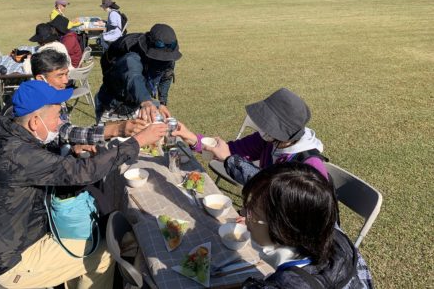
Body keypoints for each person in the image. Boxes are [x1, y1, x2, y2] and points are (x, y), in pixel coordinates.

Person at [0, 80, 166, 289]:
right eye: (57, 116)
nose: (60, 123)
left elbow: (50, 169)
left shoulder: (15, 138)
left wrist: (71, 154)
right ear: (35, 122)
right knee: (105, 252)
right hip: (14, 261)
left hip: (18, 238)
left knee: (100, 234)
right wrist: (137, 141)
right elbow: (85, 172)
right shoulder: (19, 154)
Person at [241, 163, 374, 289]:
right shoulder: (335, 237)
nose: (242, 213)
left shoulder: (285, 285)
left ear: (283, 228)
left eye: (251, 212)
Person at [173, 88, 327, 184]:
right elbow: (230, 149)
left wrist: (258, 220)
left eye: (268, 124)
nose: (262, 128)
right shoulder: (269, 140)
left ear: (282, 130)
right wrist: (192, 138)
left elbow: (276, 193)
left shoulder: (310, 166)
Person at [31, 49, 147, 145]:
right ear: (41, 78)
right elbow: (64, 131)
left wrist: (75, 147)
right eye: (60, 76)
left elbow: (63, 132)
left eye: (66, 74)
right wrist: (116, 129)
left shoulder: (55, 94)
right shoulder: (34, 102)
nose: (66, 80)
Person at [95, 23, 181, 123]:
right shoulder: (132, 57)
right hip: (112, 109)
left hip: (136, 105)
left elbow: (166, 76)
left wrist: (162, 103)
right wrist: (146, 101)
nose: (163, 60)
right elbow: (133, 77)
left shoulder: (169, 57)